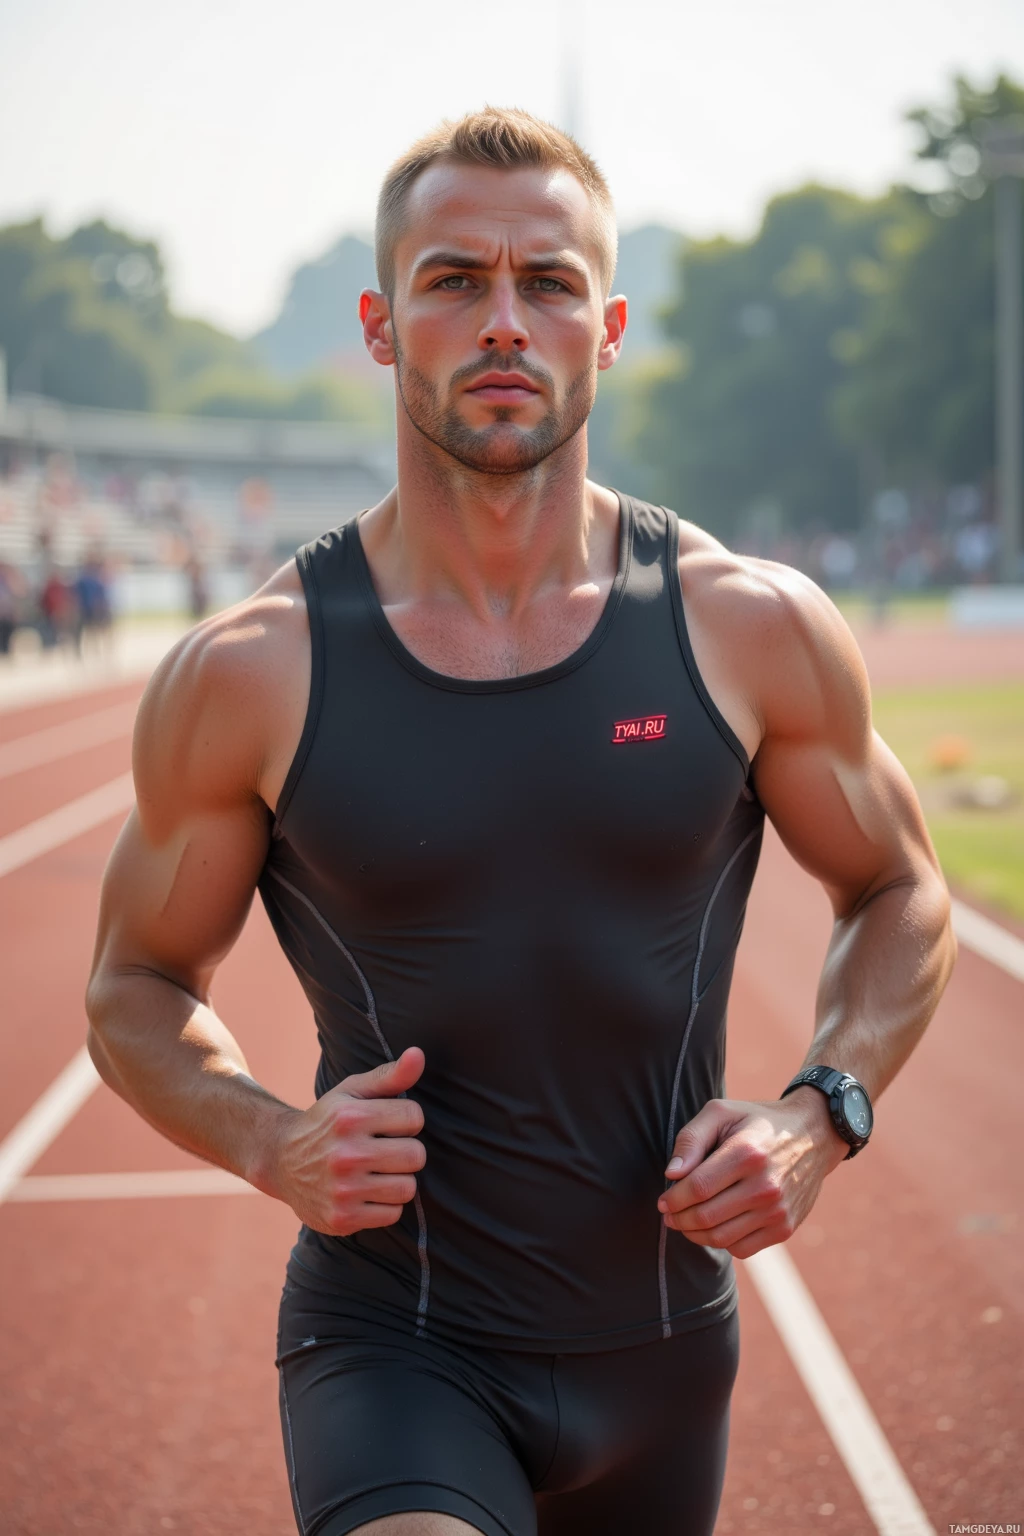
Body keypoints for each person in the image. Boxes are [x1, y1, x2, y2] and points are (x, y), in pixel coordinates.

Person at [85, 109, 955, 1536]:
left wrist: (822, 1112)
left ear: (605, 329)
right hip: (395, 1342)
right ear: (381, 325)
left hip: (666, 1353)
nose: (505, 321)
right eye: (454, 280)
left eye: (548, 283)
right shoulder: (252, 671)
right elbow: (131, 982)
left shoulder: (748, 627)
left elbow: (901, 891)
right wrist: (267, 1141)